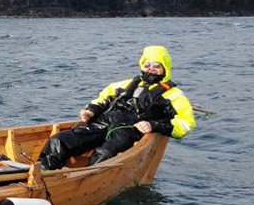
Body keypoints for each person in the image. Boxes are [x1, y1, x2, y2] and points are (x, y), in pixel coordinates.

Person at [38, 45, 195, 170]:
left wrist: (153, 125)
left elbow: (185, 124)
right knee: (59, 140)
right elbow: (103, 99)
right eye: (147, 65)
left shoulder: (174, 95)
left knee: (105, 153)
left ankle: (85, 182)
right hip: (104, 122)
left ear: (165, 68)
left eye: (156, 66)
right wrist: (91, 110)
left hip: (129, 130)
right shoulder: (124, 85)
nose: (151, 69)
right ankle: (44, 172)